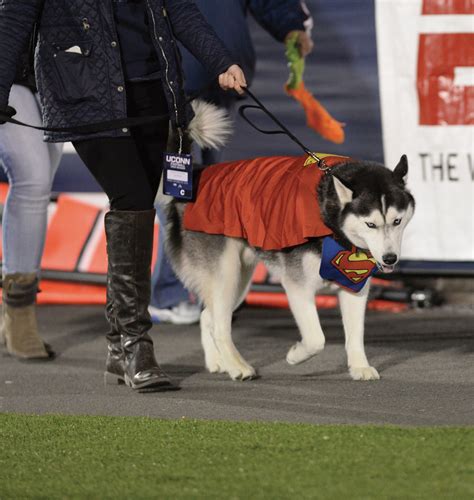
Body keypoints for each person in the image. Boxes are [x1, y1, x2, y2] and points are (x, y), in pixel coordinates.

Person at [0, 0, 246, 393]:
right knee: (132, 199)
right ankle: (136, 345)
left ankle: (118, 348)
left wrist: (221, 60)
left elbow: (179, 9)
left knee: (136, 207)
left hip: (154, 89)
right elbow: (14, 19)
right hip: (83, 93)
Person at [149, 0, 313, 325]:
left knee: (209, 196)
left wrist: (291, 24)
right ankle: (169, 294)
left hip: (220, 82)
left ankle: (212, 292)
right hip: (169, 87)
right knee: (178, 196)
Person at [0, 33, 63, 361]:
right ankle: (19, 313)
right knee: (32, 178)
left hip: (46, 67)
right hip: (7, 67)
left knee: (42, 175)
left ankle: (12, 313)